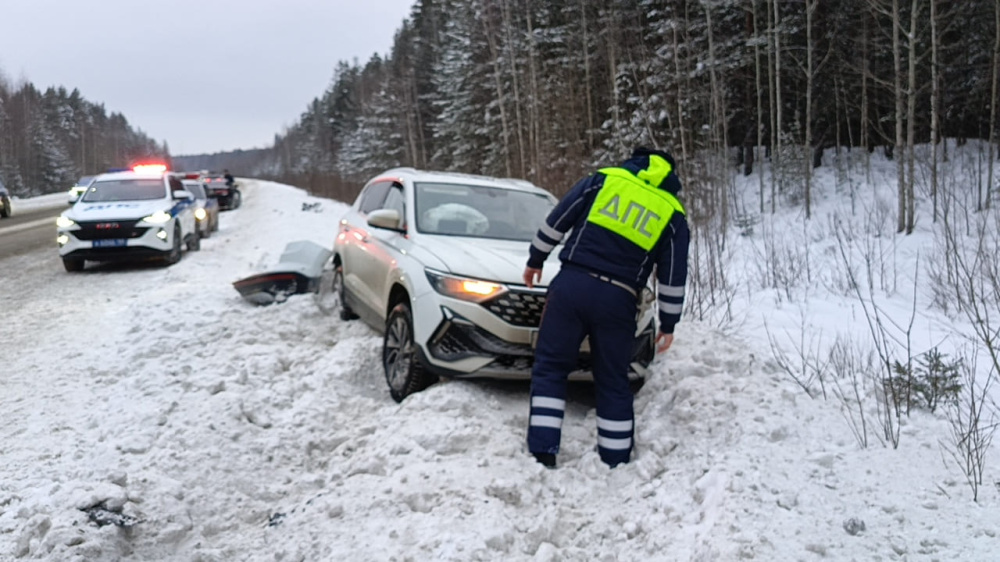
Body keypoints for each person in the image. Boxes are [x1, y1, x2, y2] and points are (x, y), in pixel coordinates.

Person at [522, 146, 690, 468]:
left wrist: (536, 258)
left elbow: (557, 220)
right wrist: (669, 323)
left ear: (634, 162)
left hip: (571, 286)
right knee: (613, 379)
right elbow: (672, 276)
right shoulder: (672, 213)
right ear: (670, 176)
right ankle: (615, 460)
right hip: (619, 299)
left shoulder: (603, 181)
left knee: (551, 368)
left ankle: (543, 452)